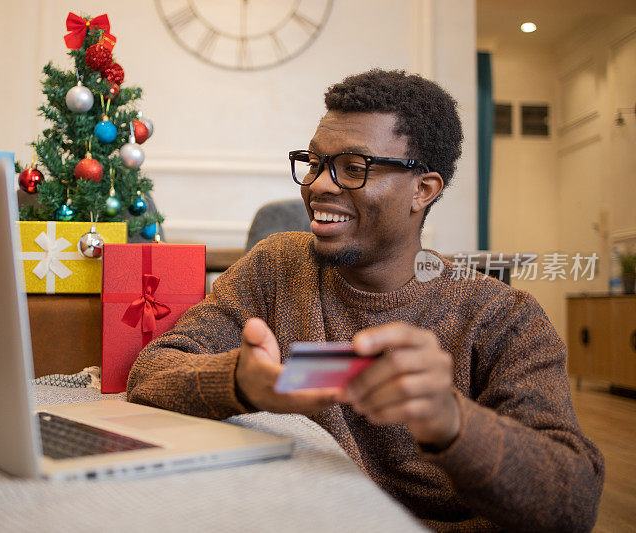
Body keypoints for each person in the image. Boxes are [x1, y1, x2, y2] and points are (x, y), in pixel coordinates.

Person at [126, 69, 604, 531]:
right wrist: (238, 381)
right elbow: (151, 372)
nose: (318, 185)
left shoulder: (501, 317)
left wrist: (453, 422)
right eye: (315, 162)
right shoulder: (275, 267)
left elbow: (573, 500)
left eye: (354, 168)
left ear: (423, 189)